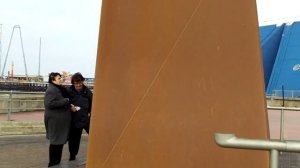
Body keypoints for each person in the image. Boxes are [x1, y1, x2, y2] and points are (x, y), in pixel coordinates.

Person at [44, 72, 71, 167]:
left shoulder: (57, 89)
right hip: (55, 121)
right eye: (59, 78)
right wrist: (65, 101)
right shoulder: (51, 90)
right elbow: (49, 104)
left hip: (59, 121)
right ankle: (52, 163)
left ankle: (56, 163)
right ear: (53, 79)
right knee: (55, 142)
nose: (61, 79)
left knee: (59, 142)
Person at [68, 72, 93, 161]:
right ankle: (72, 156)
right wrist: (70, 108)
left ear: (82, 82)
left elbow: (93, 103)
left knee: (95, 136)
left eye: (79, 83)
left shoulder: (88, 92)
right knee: (74, 140)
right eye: (76, 83)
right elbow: (64, 103)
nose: (78, 85)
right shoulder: (69, 92)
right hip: (75, 120)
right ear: (73, 83)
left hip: (86, 119)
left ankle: (97, 153)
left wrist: (90, 112)